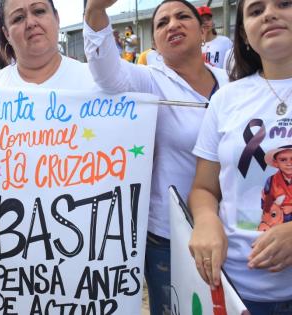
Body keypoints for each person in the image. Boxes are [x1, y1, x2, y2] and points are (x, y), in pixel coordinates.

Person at [83, 1, 229, 314]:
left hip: (235, 231)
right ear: (155, 43)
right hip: (170, 236)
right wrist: (95, 12)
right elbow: (105, 71)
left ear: (204, 30)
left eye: (182, 17)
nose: (172, 25)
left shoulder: (232, 81)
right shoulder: (149, 80)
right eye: (162, 23)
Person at [189, 0, 292, 312]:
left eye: (284, 4)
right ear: (245, 35)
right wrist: (205, 219)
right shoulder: (225, 100)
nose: (269, 13)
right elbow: (204, 188)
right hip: (235, 291)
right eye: (256, 10)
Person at [0, 0, 96, 89]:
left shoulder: (97, 81)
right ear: (7, 33)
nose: (31, 23)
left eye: (39, 11)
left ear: (57, 18)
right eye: (18, 18)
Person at [260, 145, 292, 231]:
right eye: (283, 160)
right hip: (275, 218)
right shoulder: (271, 181)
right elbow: (265, 203)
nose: (289, 163)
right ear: (276, 163)